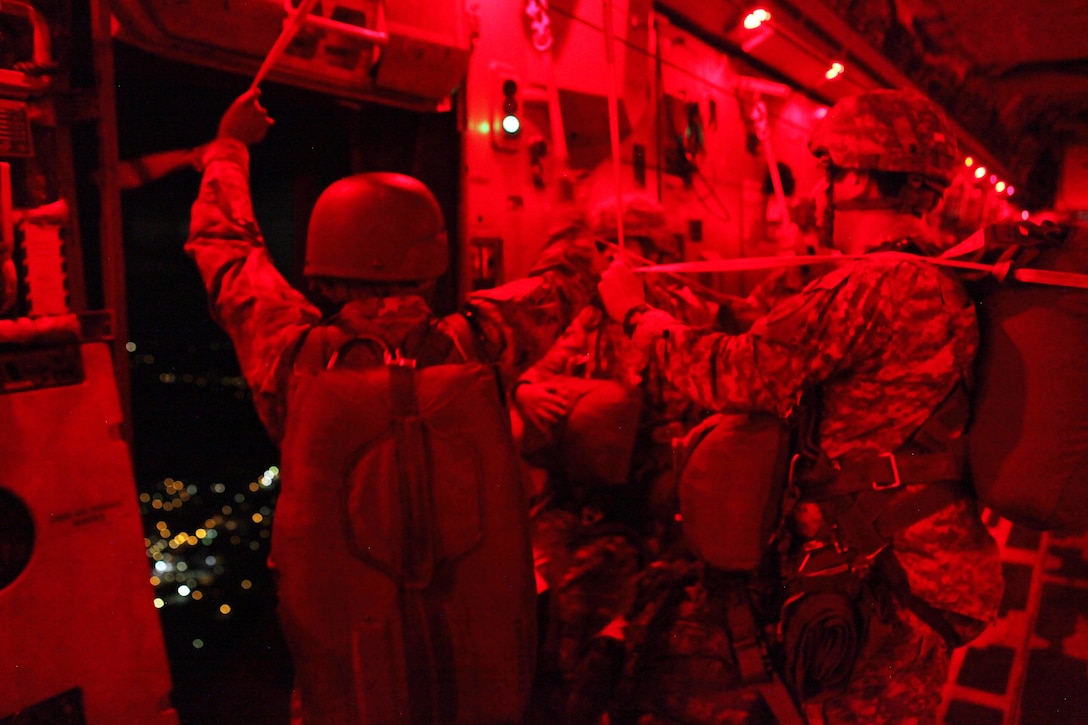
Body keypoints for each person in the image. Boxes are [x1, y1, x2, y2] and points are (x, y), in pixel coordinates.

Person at [184, 89, 603, 724]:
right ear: (432, 265)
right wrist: (573, 203)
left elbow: (226, 249)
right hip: (472, 680)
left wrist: (229, 149)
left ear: (320, 274)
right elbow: (568, 274)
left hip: (353, 682)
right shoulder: (481, 343)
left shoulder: (292, 356)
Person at [597, 89, 1004, 724]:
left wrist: (633, 312)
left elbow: (738, 374)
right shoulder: (941, 272)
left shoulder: (872, 282)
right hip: (923, 566)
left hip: (886, 577)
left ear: (861, 176)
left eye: (827, 170)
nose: (820, 190)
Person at [513, 194, 720, 720]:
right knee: (525, 601)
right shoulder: (584, 319)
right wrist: (526, 392)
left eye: (616, 249)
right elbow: (537, 368)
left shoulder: (680, 315)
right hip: (573, 500)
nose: (605, 263)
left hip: (642, 511)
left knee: (596, 626)